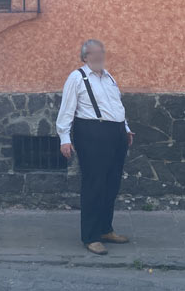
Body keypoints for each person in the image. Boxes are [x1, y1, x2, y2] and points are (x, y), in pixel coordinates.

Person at [55, 38, 134, 255]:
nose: (99, 56)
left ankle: (105, 229)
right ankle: (90, 236)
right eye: (94, 53)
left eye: (102, 51)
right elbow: (67, 109)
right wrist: (65, 138)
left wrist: (125, 128)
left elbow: (117, 105)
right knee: (94, 184)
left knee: (111, 183)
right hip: (91, 133)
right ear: (85, 57)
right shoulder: (77, 78)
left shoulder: (109, 77)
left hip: (115, 134)